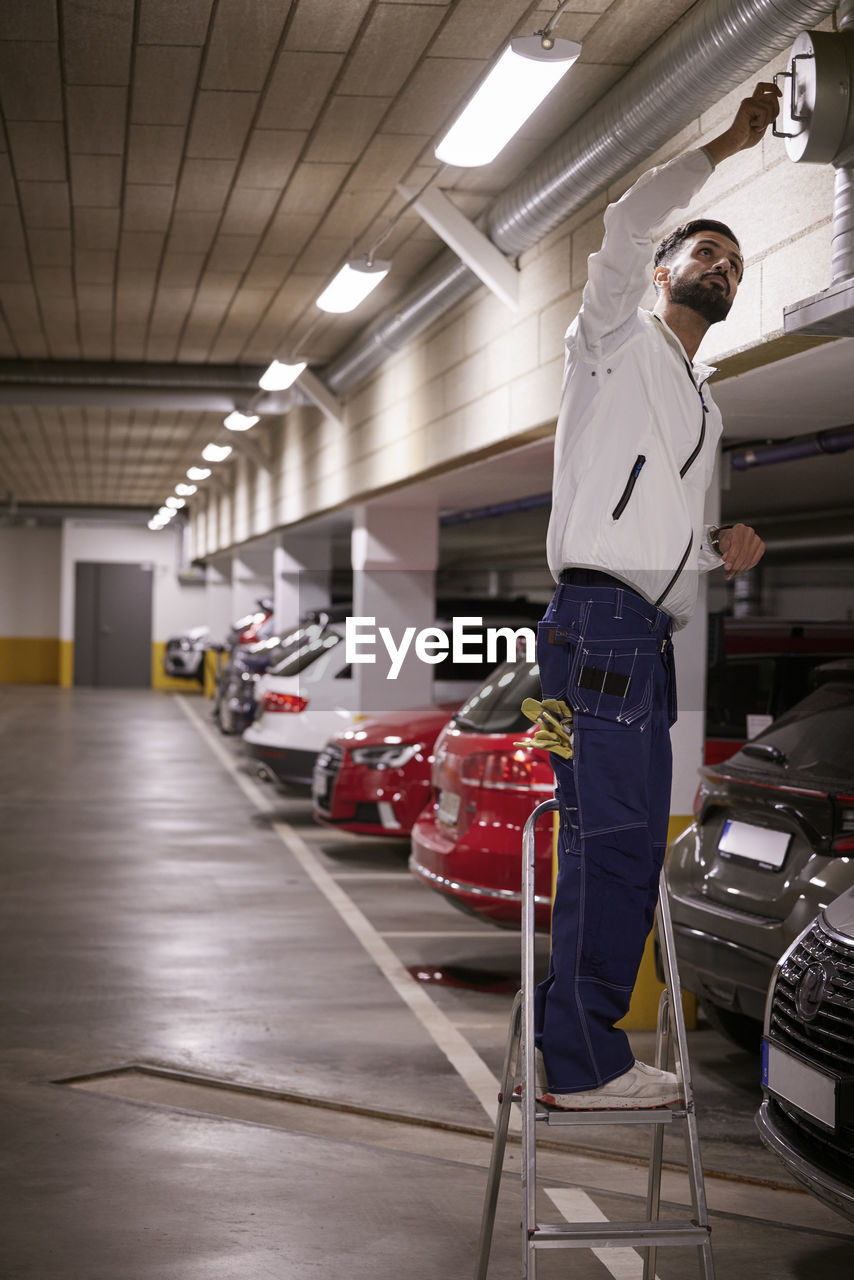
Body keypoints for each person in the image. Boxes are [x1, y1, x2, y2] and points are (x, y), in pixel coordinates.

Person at [535, 83, 779, 1109]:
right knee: (612, 838)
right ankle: (579, 1058)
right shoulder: (611, 342)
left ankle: (578, 1043)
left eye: (731, 261)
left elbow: (663, 523)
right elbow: (623, 219)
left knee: (627, 840)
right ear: (664, 270)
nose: (717, 265)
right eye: (703, 252)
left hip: (639, 634)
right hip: (599, 625)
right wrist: (723, 145)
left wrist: (719, 546)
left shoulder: (700, 399)